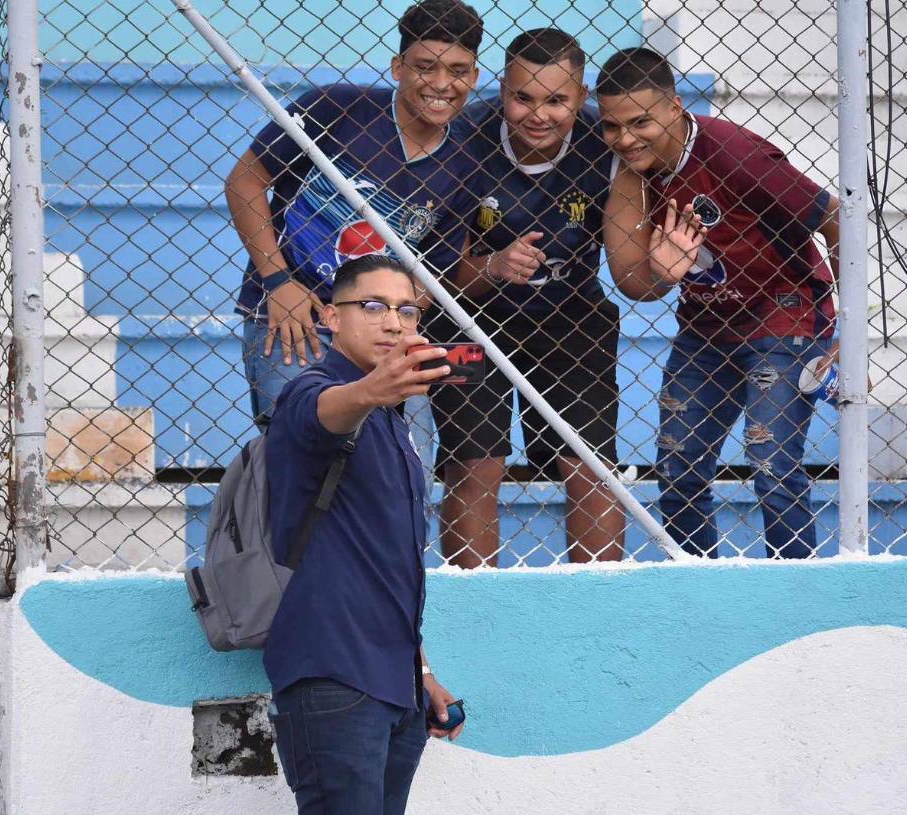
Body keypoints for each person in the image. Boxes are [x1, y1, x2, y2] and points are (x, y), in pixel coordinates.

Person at [598, 47, 841, 559]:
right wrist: (664, 275)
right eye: (611, 127)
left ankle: (794, 594)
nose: (625, 138)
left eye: (640, 121)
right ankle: (699, 589)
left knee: (771, 464)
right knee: (677, 468)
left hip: (784, 310)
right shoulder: (631, 172)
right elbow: (634, 283)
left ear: (674, 108)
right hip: (706, 327)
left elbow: (834, 218)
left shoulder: (731, 152)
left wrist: (852, 331)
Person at [265, 254, 464, 813]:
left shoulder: (394, 421)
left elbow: (386, 564)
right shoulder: (314, 391)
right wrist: (372, 390)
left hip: (394, 684)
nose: (394, 323)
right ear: (331, 316)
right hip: (333, 674)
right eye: (371, 306)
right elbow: (324, 411)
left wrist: (418, 670)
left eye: (406, 310)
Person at [225, 0, 483, 430]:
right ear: (398, 67)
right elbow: (245, 181)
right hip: (295, 318)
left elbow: (430, 275)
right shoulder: (338, 109)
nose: (441, 84)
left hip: (382, 338)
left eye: (457, 70)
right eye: (425, 67)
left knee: (406, 462)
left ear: (474, 77)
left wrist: (387, 325)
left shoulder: (466, 163)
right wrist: (278, 281)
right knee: (301, 450)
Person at [428, 28, 628, 568]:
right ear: (502, 89)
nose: (539, 114)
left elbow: (637, 276)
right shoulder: (462, 138)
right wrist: (492, 266)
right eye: (523, 97)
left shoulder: (607, 141)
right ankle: (477, 610)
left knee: (590, 469)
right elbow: (435, 277)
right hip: (470, 319)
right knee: (475, 466)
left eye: (557, 100)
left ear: (581, 97)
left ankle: (597, 609)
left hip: (573, 316)